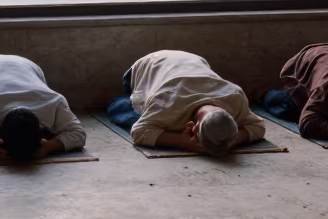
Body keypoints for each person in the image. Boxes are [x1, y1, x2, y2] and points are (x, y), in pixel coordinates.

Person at [111, 50, 265, 155]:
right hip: (145, 66)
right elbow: (139, 132)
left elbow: (258, 126)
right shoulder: (167, 103)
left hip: (195, 60)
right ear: (195, 125)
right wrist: (182, 142)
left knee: (159, 125)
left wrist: (235, 140)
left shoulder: (235, 98)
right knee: (126, 113)